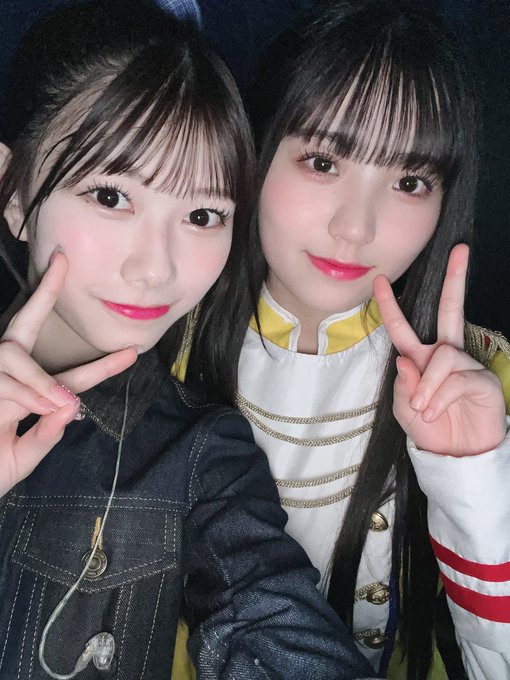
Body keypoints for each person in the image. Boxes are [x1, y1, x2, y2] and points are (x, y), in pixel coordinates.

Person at [0, 2, 376, 679]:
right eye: (111, 196)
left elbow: (274, 623)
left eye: (202, 215)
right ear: (15, 195)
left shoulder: (201, 458)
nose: (157, 268)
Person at [228, 1, 510, 678]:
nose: (356, 228)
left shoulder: (489, 383)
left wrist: (472, 480)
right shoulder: (154, 363)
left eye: (409, 182)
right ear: (256, 151)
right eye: (323, 161)